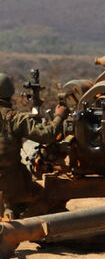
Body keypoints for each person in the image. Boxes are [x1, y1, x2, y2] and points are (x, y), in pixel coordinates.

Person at [0, 73, 67, 219]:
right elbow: (47, 135)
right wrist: (59, 116)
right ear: (9, 93)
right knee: (50, 198)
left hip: (6, 187)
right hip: (12, 186)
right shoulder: (15, 119)